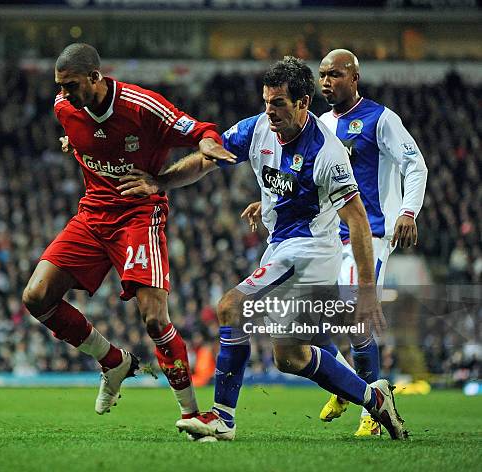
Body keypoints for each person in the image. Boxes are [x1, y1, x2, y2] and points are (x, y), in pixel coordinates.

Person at [118, 56, 407, 441]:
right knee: (289, 356)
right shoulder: (257, 129)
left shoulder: (327, 150)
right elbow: (209, 158)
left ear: (304, 102)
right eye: (267, 101)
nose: (269, 111)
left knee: (230, 306)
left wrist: (368, 291)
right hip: (281, 246)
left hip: (310, 253)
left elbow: (356, 219)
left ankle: (222, 418)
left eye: (279, 104)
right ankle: (374, 398)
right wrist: (161, 183)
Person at [22, 43, 235, 422]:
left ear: (95, 77)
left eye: (70, 85)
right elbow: (89, 140)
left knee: (154, 319)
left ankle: (192, 414)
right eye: (60, 86)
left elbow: (201, 130)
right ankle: (113, 361)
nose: (63, 94)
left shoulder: (141, 106)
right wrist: (74, 144)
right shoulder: (64, 108)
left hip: (139, 215)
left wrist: (205, 146)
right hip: (91, 216)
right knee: (36, 297)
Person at [317, 49, 428, 436]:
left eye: (335, 74)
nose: (327, 81)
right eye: (323, 75)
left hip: (372, 234)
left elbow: (415, 164)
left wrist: (408, 211)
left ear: (354, 78)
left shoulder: (381, 119)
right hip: (328, 235)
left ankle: (373, 412)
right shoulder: (320, 125)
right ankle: (350, 385)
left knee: (355, 311)